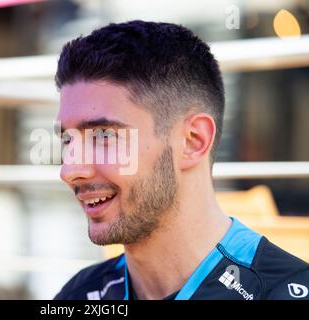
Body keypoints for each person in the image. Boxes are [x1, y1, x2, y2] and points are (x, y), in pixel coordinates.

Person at [53, 20, 308, 300]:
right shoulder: (79, 293)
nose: (70, 170)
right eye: (68, 140)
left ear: (192, 141)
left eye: (103, 135)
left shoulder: (283, 292)